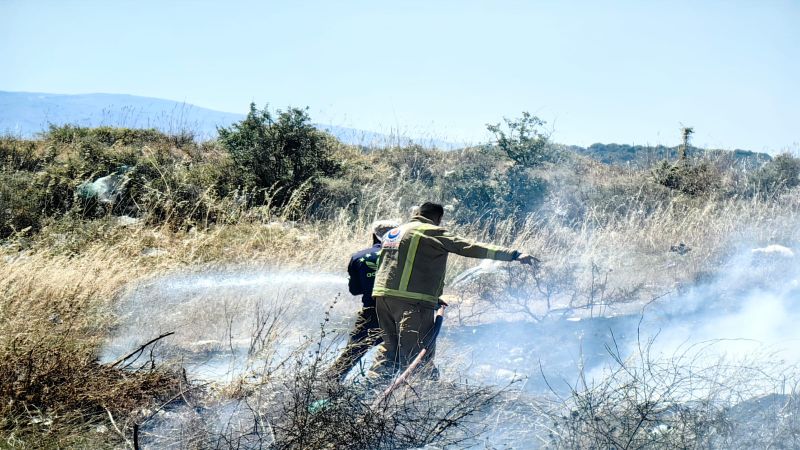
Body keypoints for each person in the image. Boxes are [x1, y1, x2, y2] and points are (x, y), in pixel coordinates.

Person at [368, 202, 538, 380]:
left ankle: (370, 389)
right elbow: (470, 246)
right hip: (413, 302)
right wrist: (513, 254)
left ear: (418, 212)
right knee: (416, 353)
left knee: (389, 347)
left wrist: (433, 296)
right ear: (438, 218)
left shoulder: (395, 233)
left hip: (383, 298)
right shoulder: (430, 231)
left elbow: (396, 266)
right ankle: (420, 397)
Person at [329, 219, 400, 382]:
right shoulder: (405, 258)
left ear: (374, 236)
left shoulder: (359, 257)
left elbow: (354, 290)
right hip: (400, 314)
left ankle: (326, 387)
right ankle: (381, 389)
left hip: (371, 315)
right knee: (403, 356)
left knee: (349, 357)